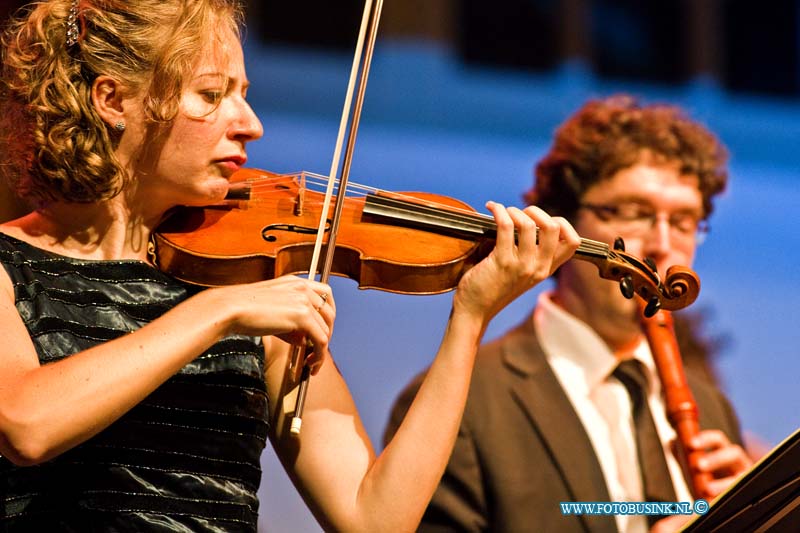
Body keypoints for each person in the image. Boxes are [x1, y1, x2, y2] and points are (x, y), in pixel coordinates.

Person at [0, 1, 580, 531]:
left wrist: (470, 316)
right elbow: (28, 424)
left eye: (244, 92)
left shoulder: (248, 281)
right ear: (113, 100)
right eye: (212, 95)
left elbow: (376, 518)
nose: (250, 123)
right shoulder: (12, 267)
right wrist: (218, 311)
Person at [385, 95, 753, 533]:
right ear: (565, 226)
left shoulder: (712, 407)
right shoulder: (460, 403)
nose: (661, 245)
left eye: (684, 221)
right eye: (634, 213)